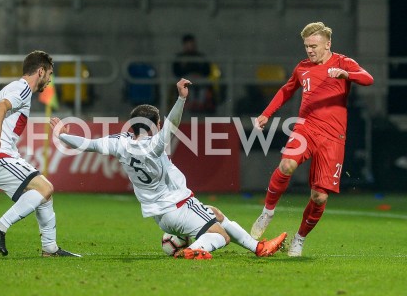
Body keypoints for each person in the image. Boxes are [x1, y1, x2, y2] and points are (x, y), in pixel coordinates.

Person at [50, 78, 287, 260]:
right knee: (219, 235)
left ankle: (258, 248)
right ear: (157, 125)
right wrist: (181, 99)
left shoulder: (120, 143)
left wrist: (62, 134)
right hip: (179, 204)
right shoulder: (154, 145)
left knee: (216, 213)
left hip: (159, 215)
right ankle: (194, 249)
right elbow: (172, 124)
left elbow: (88, 144)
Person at [250, 22, 374, 257]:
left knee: (319, 196)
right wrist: (266, 113)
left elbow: (368, 78)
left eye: (314, 46)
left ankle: (299, 239)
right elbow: (287, 90)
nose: (309, 50)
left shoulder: (342, 62)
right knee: (287, 164)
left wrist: (347, 74)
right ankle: (267, 211)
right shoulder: (303, 67)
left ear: (328, 44)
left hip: (333, 137)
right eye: (307, 46)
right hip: (306, 128)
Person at [0, 50, 80, 258]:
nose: (49, 80)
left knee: (44, 195)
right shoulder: (22, 88)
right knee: (45, 188)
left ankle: (50, 248)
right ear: (40, 71)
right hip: (0, 155)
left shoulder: (15, 89)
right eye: (49, 74)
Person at [172, 34, 216, 113]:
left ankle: (200, 105)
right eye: (187, 44)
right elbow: (176, 72)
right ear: (184, 45)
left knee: (203, 84)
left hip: (200, 80)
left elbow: (207, 71)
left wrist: (198, 74)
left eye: (191, 44)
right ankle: (191, 106)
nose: (189, 47)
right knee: (187, 85)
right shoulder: (180, 57)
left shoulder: (200, 56)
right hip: (185, 80)